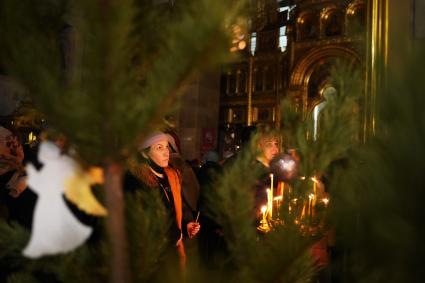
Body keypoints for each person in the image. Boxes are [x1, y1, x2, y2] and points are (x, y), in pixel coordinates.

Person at [124, 131, 200, 269]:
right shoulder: (135, 181)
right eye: (159, 148)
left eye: (166, 147)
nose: (166, 152)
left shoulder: (171, 175)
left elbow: (173, 210)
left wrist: (184, 226)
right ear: (144, 153)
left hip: (172, 253)